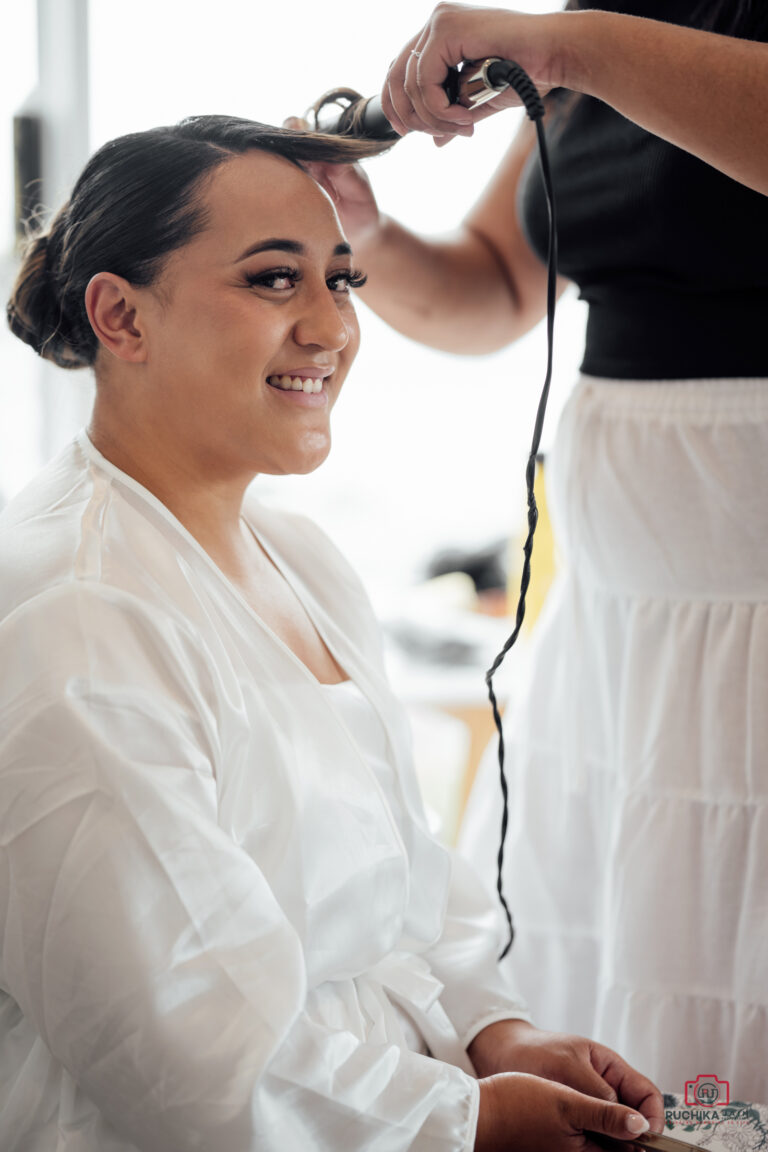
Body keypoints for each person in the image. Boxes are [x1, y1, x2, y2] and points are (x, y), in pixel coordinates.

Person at [0, 116, 663, 1151]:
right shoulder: (74, 618)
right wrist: (466, 1122)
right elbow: (187, 1054)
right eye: (274, 281)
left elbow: (403, 877)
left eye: (341, 280)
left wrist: (494, 1034)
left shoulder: (301, 558)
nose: (333, 328)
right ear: (120, 317)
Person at [300, 0, 768, 1104]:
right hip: (621, 619)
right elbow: (497, 290)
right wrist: (358, 231)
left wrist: (572, 49)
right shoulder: (611, 14)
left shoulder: (591, 41)